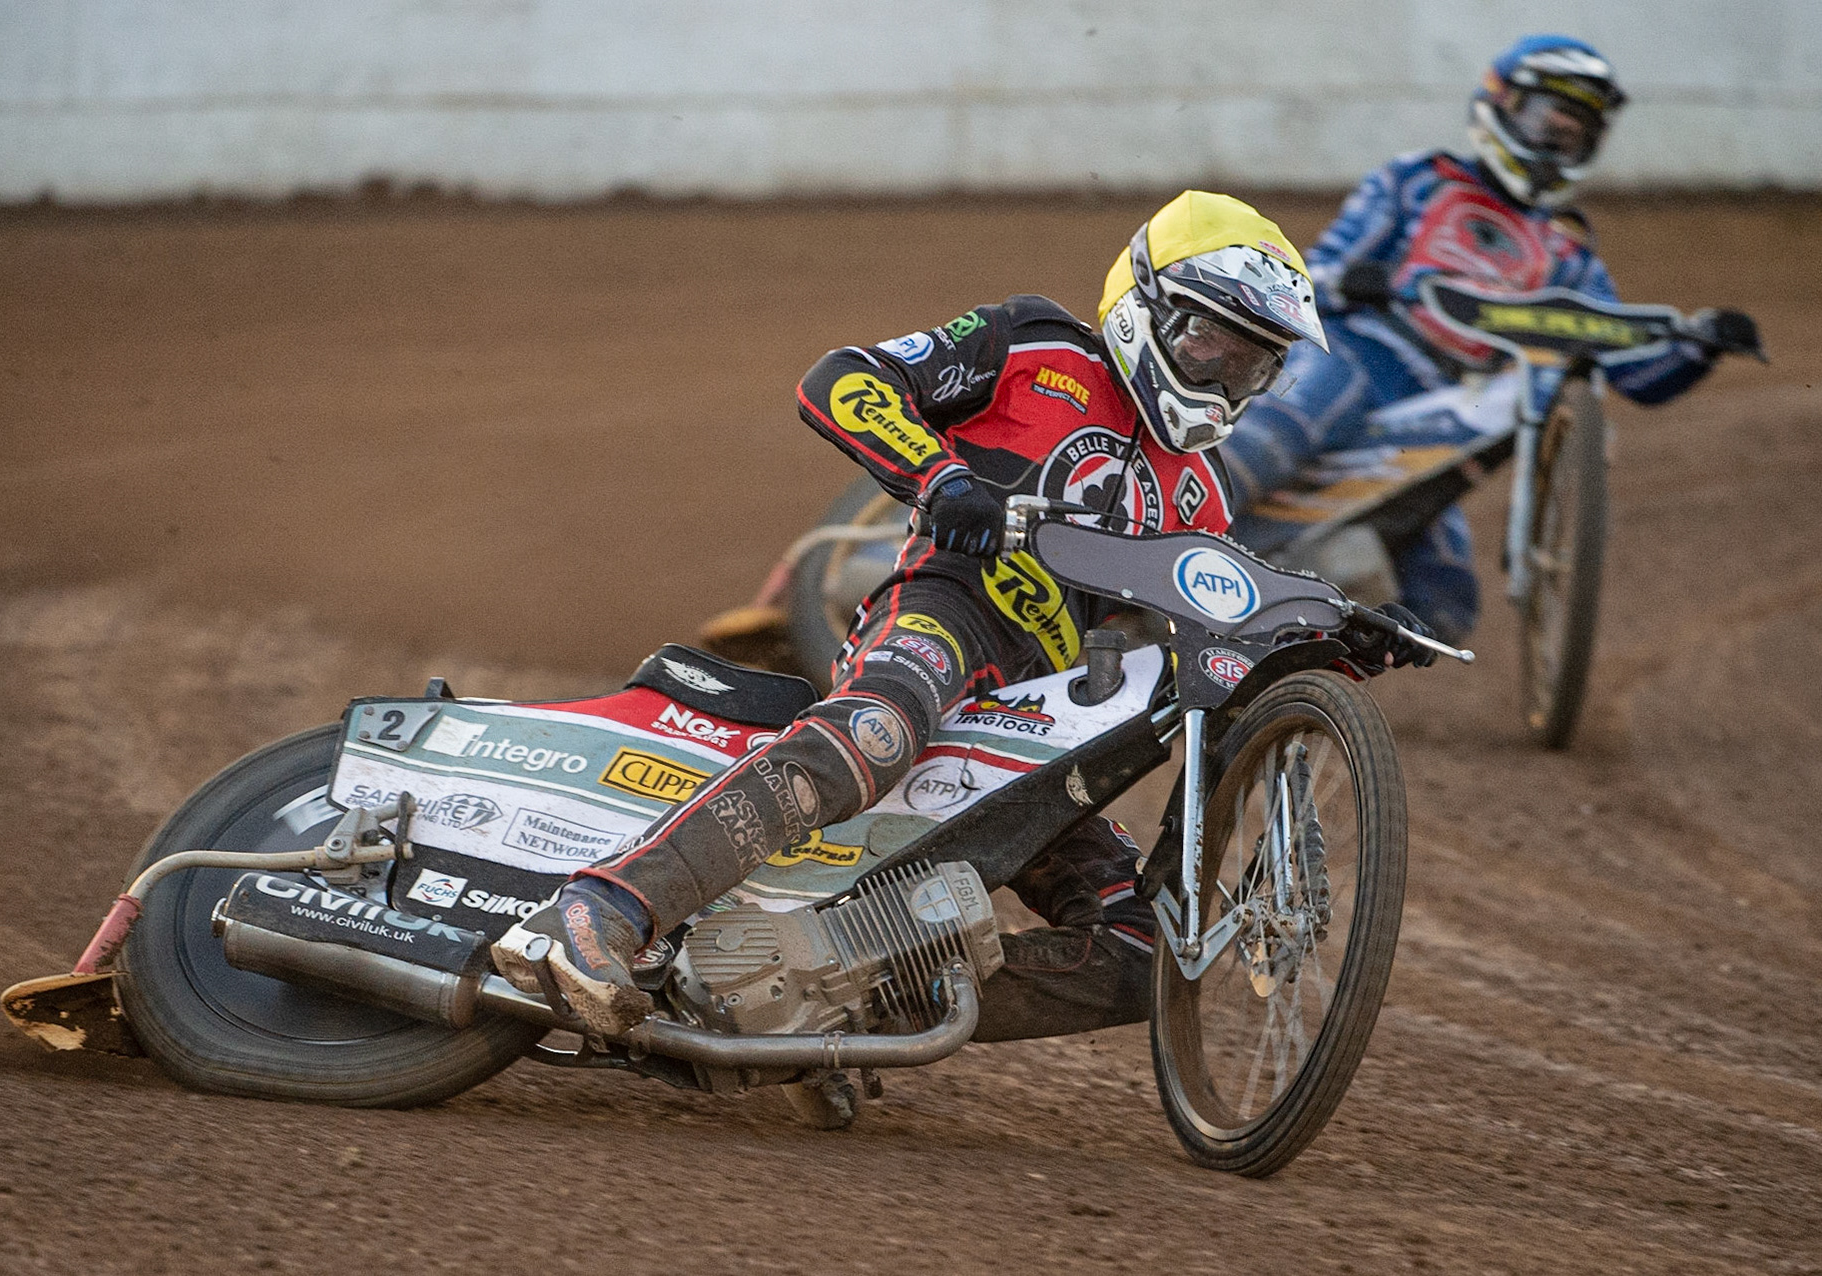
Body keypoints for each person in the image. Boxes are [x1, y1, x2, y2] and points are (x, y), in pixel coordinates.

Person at [493, 191, 1423, 1039]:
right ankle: (605, 910)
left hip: (1049, 716)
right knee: (881, 730)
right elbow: (844, 380)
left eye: (1254, 364)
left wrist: (1328, 629)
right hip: (946, 611)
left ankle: (837, 1008)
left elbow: (1227, 617)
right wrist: (943, 480)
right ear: (1147, 307)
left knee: (1141, 956)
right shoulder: (1037, 345)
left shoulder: (1204, 496)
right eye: (1211, 344)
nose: (1226, 378)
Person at [1218, 34, 1763, 645]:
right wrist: (1352, 278)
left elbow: (1633, 370)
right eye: (1544, 118)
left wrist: (1700, 345)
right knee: (1284, 434)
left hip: (1449, 414)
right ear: (1499, 104)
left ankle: (1288, 673)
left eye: (1575, 131)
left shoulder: (1568, 249)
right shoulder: (1418, 180)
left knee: (1446, 605)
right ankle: (1163, 530)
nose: (1555, 139)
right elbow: (1311, 276)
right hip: (1360, 357)